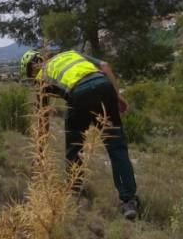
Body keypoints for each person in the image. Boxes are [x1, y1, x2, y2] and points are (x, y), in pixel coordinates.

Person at [20, 49, 139, 220]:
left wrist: (40, 151)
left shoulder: (42, 77)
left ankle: (74, 191)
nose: (32, 80)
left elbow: (43, 121)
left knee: (74, 148)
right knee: (117, 147)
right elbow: (105, 66)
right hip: (104, 86)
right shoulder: (71, 53)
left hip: (79, 94)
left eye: (30, 75)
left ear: (32, 69)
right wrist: (117, 97)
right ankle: (128, 201)